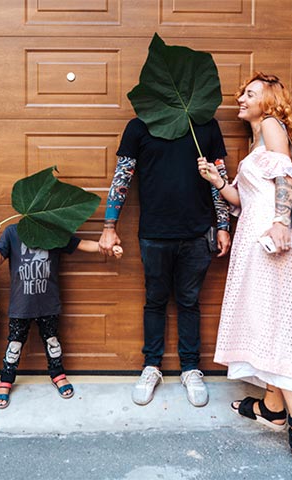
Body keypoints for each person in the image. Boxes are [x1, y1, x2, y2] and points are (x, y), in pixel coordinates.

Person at [197, 72, 292, 458]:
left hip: (270, 239)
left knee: (269, 321)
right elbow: (243, 199)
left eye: (250, 94)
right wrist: (217, 181)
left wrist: (281, 222)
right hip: (253, 238)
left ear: (268, 102)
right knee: (264, 318)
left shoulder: (272, 125)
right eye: (242, 93)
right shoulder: (256, 140)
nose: (241, 98)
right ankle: (273, 407)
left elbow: (286, 177)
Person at [98, 116, 231, 407]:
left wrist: (223, 225)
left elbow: (218, 175)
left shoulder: (205, 124)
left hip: (197, 233)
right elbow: (122, 177)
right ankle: (151, 366)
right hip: (154, 234)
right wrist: (109, 226)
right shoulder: (139, 126)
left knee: (189, 302)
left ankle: (190, 369)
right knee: (155, 301)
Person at [0, 223, 122, 409]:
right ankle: (6, 379)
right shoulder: (12, 231)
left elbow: (81, 244)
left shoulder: (54, 231)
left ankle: (57, 373)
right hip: (21, 303)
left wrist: (106, 247)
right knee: (15, 343)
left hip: (48, 301)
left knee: (52, 341)